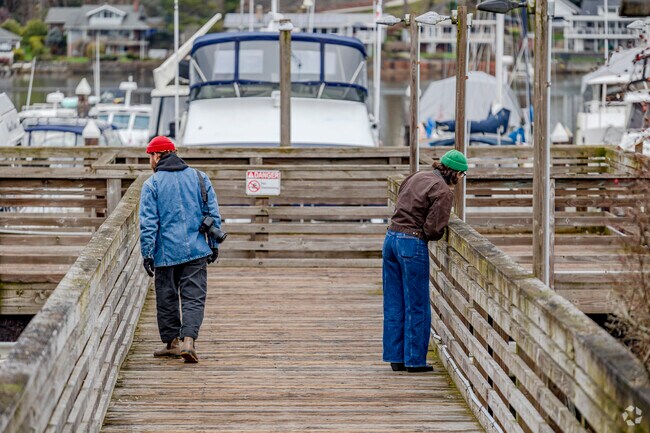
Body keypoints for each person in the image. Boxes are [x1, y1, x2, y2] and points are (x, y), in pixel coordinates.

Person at [382, 149, 468, 373]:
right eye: (462, 175)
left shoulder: (416, 176)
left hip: (390, 238)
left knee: (394, 302)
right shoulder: (443, 191)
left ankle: (395, 357)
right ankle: (414, 360)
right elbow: (433, 229)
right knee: (417, 303)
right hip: (411, 243)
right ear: (456, 174)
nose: (460, 180)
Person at [139, 136, 222, 364]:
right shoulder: (199, 177)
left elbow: (148, 223)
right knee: (193, 296)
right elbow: (213, 214)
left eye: (150, 156)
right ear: (174, 152)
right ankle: (189, 342)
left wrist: (147, 253)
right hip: (196, 249)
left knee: (167, 297)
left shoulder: (152, 185)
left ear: (156, 155)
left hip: (165, 253)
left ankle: (172, 344)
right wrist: (213, 245)